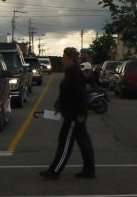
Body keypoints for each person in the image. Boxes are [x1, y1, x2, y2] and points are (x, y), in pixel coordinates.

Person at [40, 47, 96, 180]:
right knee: (83, 141)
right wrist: (61, 104)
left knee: (65, 143)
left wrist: (81, 114)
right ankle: (89, 170)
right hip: (72, 113)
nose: (62, 60)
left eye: (64, 58)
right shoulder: (71, 72)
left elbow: (80, 95)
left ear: (71, 59)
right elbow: (69, 93)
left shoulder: (75, 73)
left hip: (74, 115)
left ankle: (54, 171)